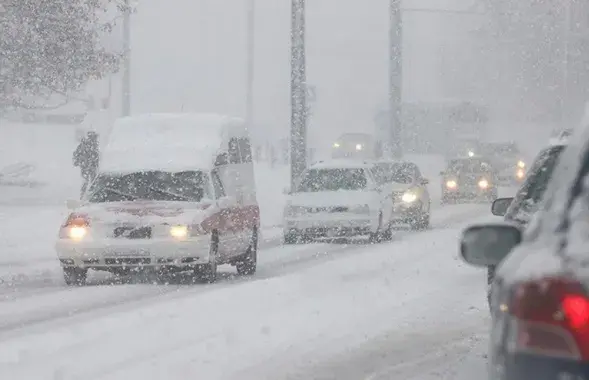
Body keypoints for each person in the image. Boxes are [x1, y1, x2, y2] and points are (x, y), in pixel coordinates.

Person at [73, 131, 100, 197]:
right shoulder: (87, 144)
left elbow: (76, 154)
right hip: (87, 166)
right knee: (89, 181)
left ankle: (87, 195)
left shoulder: (91, 144)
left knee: (89, 181)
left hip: (88, 166)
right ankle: (86, 195)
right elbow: (77, 154)